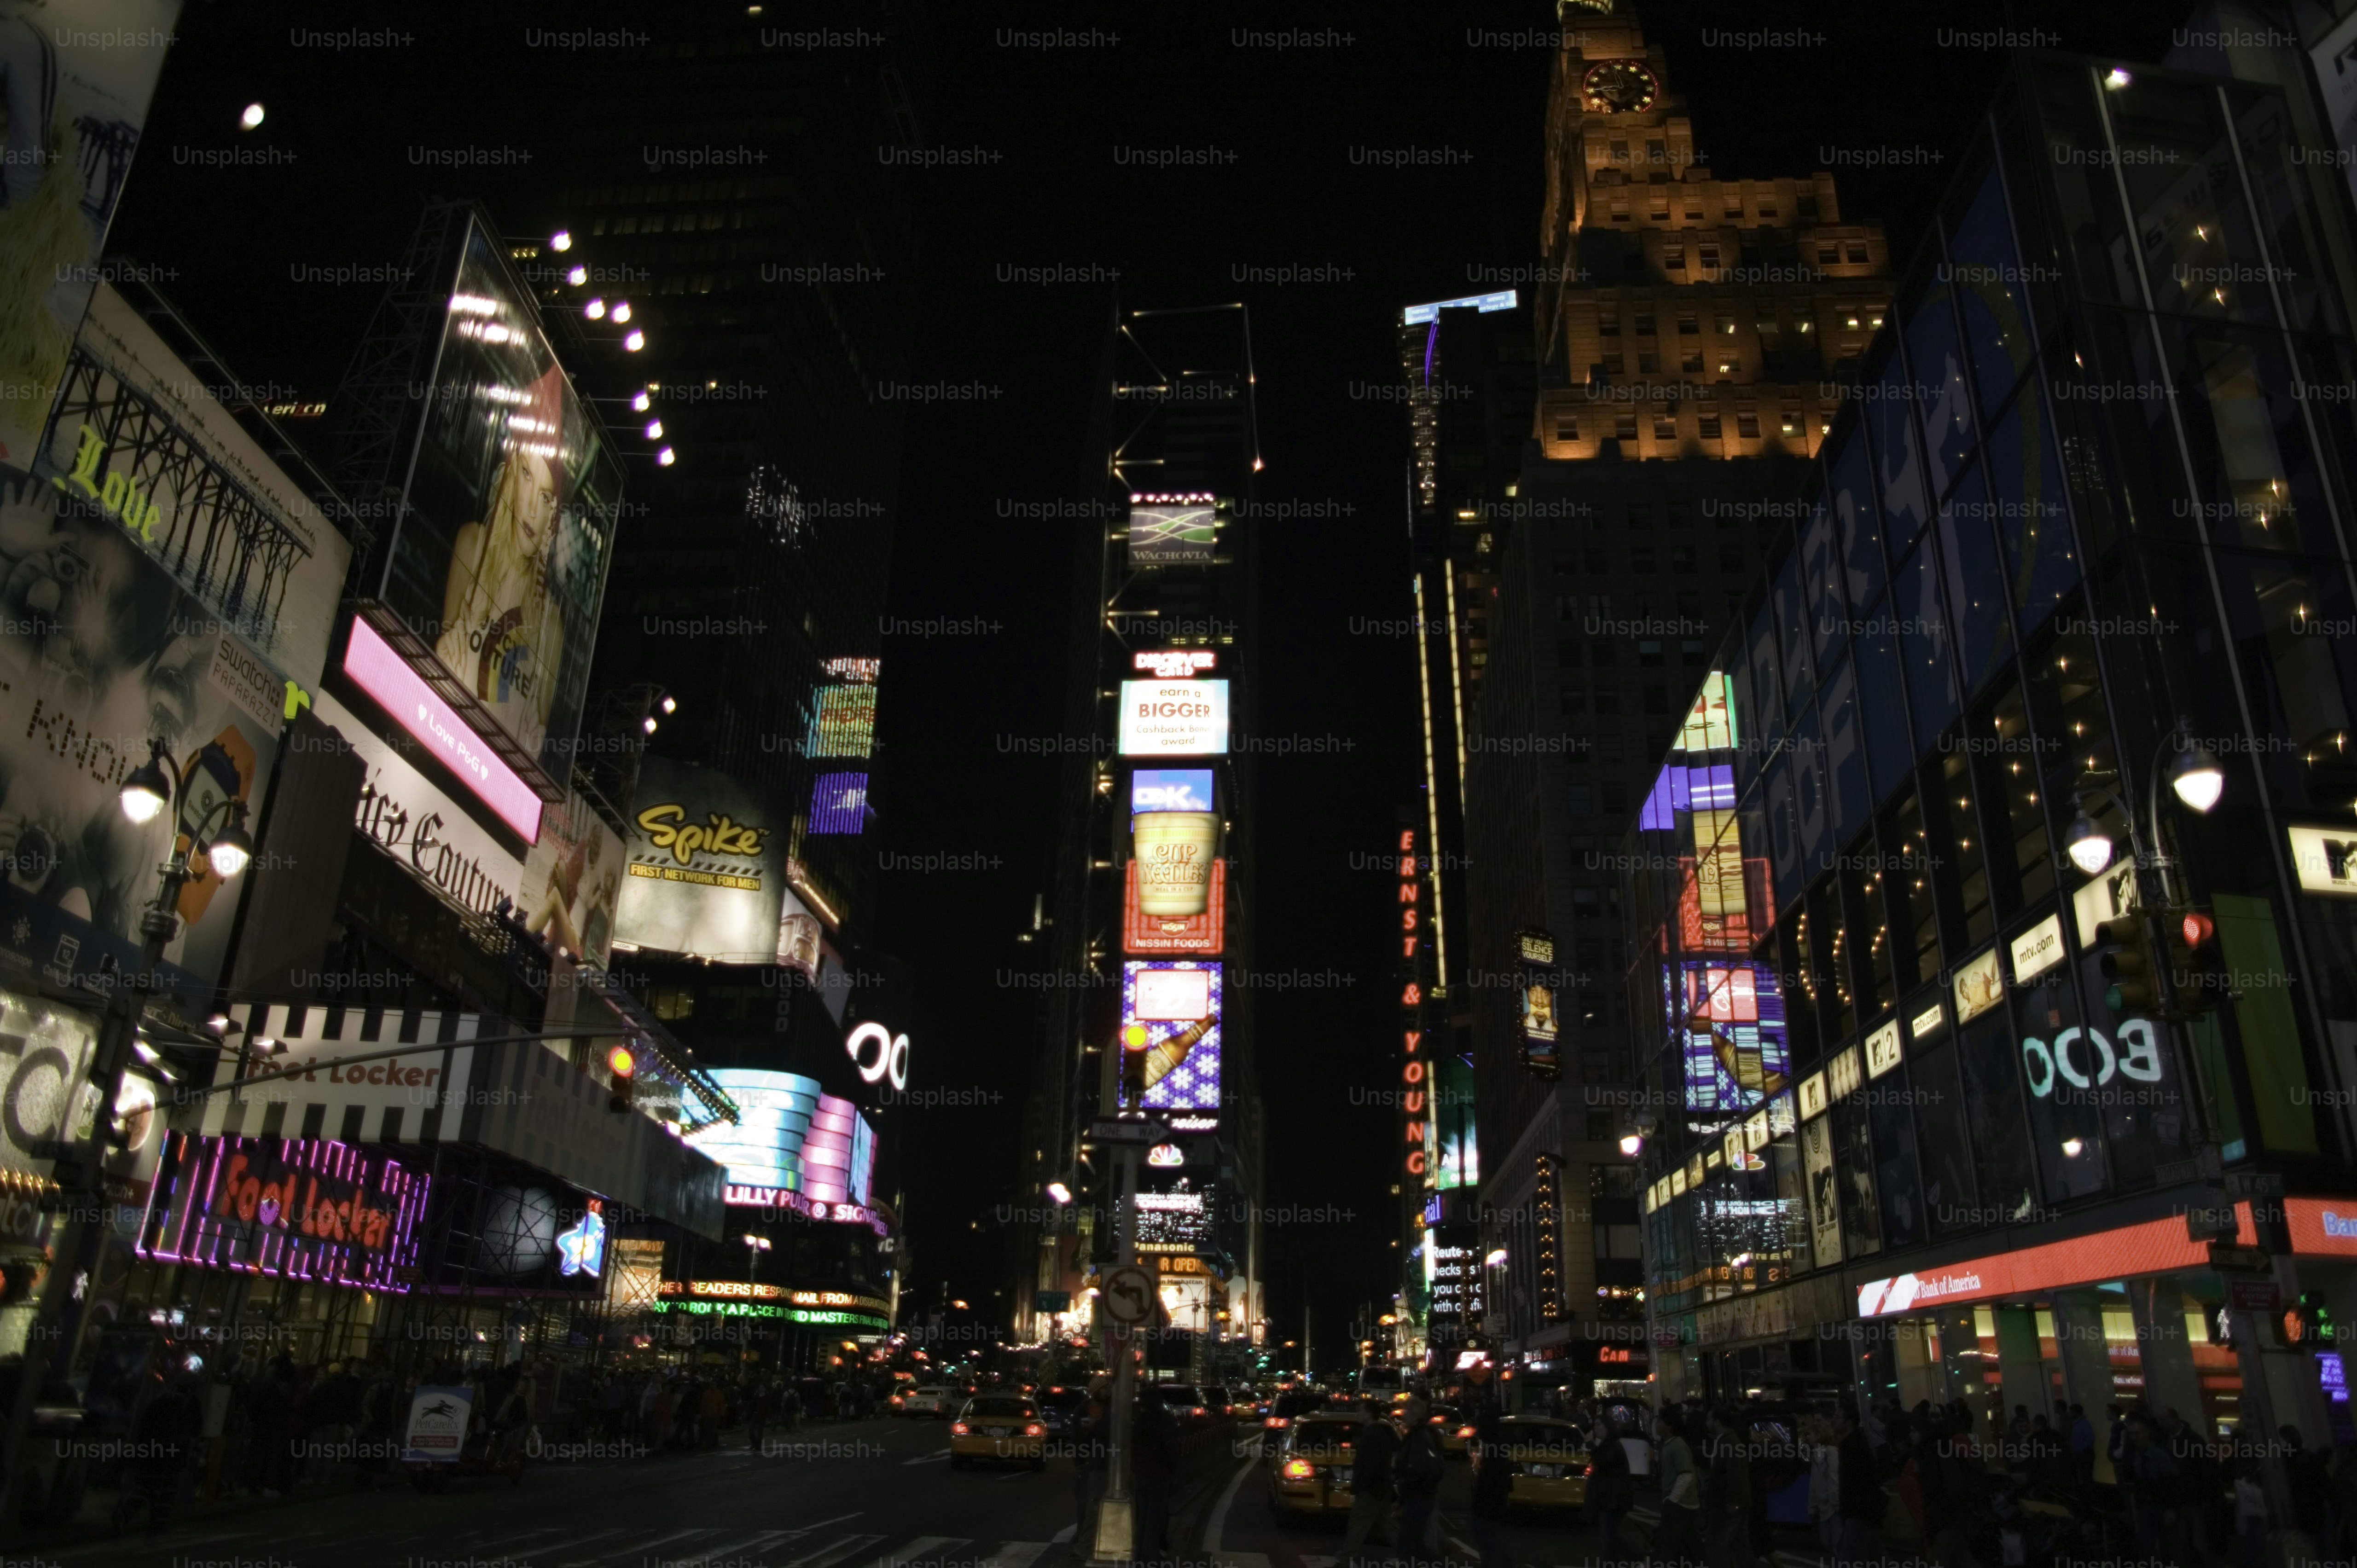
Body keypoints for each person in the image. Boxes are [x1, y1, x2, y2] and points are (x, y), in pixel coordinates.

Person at [1341, 1398, 1399, 1564]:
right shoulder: (1382, 1432)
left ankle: (1346, 1559)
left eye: (1361, 1411)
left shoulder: (1371, 1434)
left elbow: (1369, 1465)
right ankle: (1410, 1556)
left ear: (1368, 1414)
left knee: (1358, 1525)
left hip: (1371, 1489)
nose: (1358, 1414)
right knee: (1389, 1526)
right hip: (1382, 1487)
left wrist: (1359, 1487)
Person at [1395, 1394, 1446, 1566]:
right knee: (1414, 1545)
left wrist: (1405, 1487)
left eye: (1406, 1412)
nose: (1403, 1415)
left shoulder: (1418, 1438)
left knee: (1408, 1546)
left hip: (1418, 1497)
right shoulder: (1420, 1435)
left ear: (1413, 1415)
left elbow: (1418, 1470)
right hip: (1420, 1496)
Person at [1832, 1401, 1885, 1567]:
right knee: (1875, 1555)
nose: (1834, 1420)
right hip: (1861, 1511)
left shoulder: (1853, 1446)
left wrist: (1851, 1510)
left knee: (1849, 1557)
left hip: (1859, 1512)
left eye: (1838, 1417)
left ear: (1849, 1423)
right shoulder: (1852, 1444)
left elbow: (1860, 1482)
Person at [1702, 1406, 1754, 1568]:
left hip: (1727, 1503)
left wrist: (1732, 1502)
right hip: (1732, 1502)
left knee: (1716, 1543)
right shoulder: (1726, 1440)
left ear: (1717, 1423)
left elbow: (1735, 1475)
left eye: (1709, 1419)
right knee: (1739, 1545)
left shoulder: (1729, 1443)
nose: (1707, 1423)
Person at [1132, 1384, 1179, 1559]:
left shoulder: (1141, 1420)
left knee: (1143, 1518)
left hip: (1142, 1475)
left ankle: (1140, 1556)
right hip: (1159, 1475)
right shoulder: (1164, 1421)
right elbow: (1170, 1449)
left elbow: (1134, 1447)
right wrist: (1171, 1469)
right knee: (1155, 1520)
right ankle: (1150, 1557)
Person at [1655, 1408, 1702, 1568]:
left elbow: (1686, 1475)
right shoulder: (1670, 1445)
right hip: (1682, 1504)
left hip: (1681, 1505)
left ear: (1669, 1426)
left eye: (1660, 1421)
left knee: (1667, 1547)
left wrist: (1672, 1500)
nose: (1657, 1424)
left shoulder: (1677, 1445)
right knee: (1688, 1549)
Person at [1469, 1405, 1513, 1568]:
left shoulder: (1494, 1449)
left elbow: (1493, 1480)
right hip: (1491, 1506)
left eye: (1479, 1427)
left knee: (1488, 1544)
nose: (1477, 1430)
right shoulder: (1495, 1446)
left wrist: (1480, 1503)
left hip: (1488, 1507)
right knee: (1491, 1543)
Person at [1588, 1417, 1635, 1566]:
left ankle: (1636, 1557)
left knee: (1610, 1533)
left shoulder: (1612, 1445)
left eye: (1598, 1424)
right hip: (1611, 1496)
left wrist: (1590, 1443)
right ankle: (1610, 1562)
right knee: (1607, 1533)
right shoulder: (1608, 1444)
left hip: (1615, 1497)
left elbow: (1601, 1461)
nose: (1595, 1429)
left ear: (1608, 1427)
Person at [2065, 1403, 2096, 1492]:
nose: (2069, 1413)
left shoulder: (2082, 1424)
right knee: (2086, 1477)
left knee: (2086, 1478)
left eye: (2071, 1411)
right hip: (2083, 1454)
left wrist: (2080, 1449)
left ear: (2075, 1412)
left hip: (2084, 1455)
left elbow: (2090, 1439)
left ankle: (2089, 1497)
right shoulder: (2082, 1424)